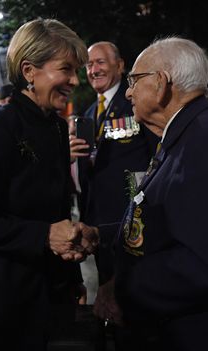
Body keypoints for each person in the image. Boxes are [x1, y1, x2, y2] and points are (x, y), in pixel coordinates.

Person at [94, 37, 208, 350]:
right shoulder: (188, 131)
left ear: (160, 83)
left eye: (134, 80)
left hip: (201, 334)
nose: (128, 91)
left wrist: (125, 289)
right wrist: (102, 234)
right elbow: (169, 219)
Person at [0, 18, 97, 349]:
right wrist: (44, 236)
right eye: (66, 69)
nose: (75, 80)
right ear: (29, 71)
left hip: (44, 289)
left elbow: (56, 209)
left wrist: (70, 273)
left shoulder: (57, 128)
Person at [69, 41, 158, 333]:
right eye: (89, 65)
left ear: (120, 65)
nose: (93, 70)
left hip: (131, 220)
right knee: (109, 298)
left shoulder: (136, 102)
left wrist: (144, 205)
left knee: (136, 298)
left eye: (100, 63)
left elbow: (155, 157)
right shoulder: (88, 112)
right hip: (97, 221)